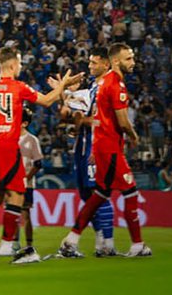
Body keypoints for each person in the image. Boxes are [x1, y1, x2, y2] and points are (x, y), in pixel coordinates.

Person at [0, 46, 79, 263]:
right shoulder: (18, 86)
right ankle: (6, 244)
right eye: (20, 64)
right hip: (8, 145)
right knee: (17, 194)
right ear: (14, 65)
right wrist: (63, 85)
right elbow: (46, 101)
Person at [60, 43, 152, 258]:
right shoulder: (115, 85)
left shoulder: (103, 83)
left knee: (99, 195)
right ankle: (136, 245)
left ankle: (72, 239)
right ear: (116, 61)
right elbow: (122, 121)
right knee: (130, 191)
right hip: (109, 147)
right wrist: (134, 135)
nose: (133, 62)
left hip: (101, 146)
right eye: (129, 58)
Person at [62, 46, 117, 256]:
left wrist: (81, 121)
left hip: (96, 147)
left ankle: (108, 243)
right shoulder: (94, 88)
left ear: (106, 64)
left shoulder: (108, 87)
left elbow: (102, 121)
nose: (90, 66)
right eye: (90, 62)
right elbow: (69, 110)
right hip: (83, 147)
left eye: (94, 63)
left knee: (99, 194)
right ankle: (100, 240)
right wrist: (64, 90)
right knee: (87, 195)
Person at [17, 109, 43, 262]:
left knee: (25, 214)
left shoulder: (32, 140)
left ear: (25, 123)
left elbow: (38, 163)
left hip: (26, 184)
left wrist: (26, 178)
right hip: (12, 183)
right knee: (12, 213)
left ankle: (28, 245)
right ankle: (13, 243)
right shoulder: (10, 138)